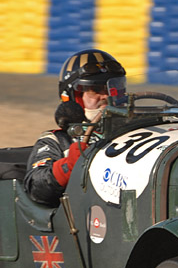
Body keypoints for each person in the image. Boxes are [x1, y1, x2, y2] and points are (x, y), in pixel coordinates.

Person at [24, 49, 126, 207]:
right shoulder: (57, 140)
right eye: (95, 90)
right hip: (85, 218)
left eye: (112, 89)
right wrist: (69, 165)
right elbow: (36, 186)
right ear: (73, 97)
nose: (106, 96)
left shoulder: (136, 130)